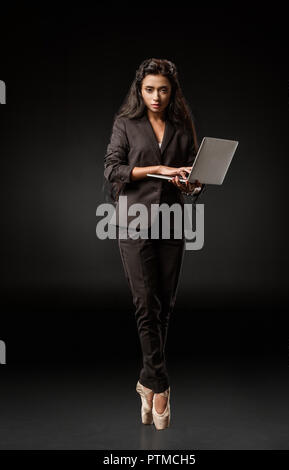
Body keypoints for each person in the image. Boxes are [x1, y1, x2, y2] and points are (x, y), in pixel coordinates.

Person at [103, 58, 206, 430]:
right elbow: (113, 169)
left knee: (164, 305)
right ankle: (160, 388)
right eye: (149, 89)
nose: (156, 96)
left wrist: (190, 182)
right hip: (133, 221)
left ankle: (146, 382)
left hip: (173, 222)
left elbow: (194, 171)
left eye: (163, 89)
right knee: (145, 303)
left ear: (172, 90)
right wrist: (157, 169)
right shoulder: (126, 124)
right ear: (139, 90)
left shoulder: (182, 125)